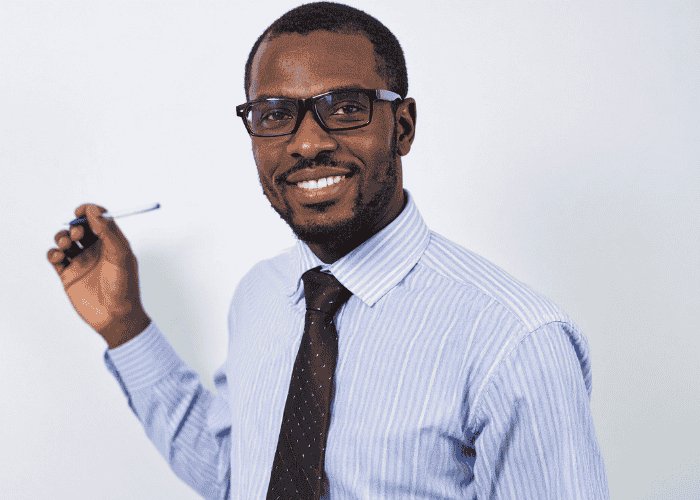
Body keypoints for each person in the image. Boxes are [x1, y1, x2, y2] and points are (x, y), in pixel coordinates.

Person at [47, 2, 609, 499]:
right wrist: (126, 327)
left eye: (345, 108)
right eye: (275, 114)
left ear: (403, 126)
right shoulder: (262, 295)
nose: (308, 142)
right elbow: (238, 477)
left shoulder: (515, 341)